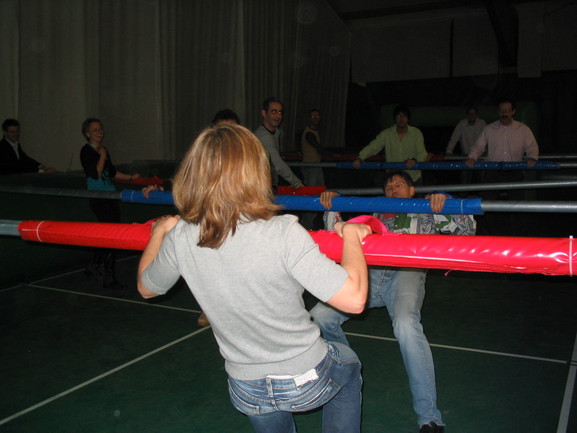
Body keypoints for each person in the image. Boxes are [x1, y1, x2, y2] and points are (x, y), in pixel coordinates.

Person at [137, 124, 371, 433]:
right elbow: (354, 300)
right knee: (349, 366)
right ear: (253, 172)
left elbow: (146, 288)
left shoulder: (181, 235)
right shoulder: (282, 231)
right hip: (303, 377)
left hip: (246, 387)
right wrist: (351, 236)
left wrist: (159, 233)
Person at [310, 170, 476, 433]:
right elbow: (336, 233)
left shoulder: (426, 211)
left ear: (412, 190)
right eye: (388, 187)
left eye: (399, 185)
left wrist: (446, 202)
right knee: (321, 316)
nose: (393, 190)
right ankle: (349, 368)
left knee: (406, 325)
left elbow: (467, 231)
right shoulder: (374, 214)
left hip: (406, 272)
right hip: (370, 273)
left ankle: (429, 417)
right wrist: (332, 203)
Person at [80, 118, 140, 289]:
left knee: (110, 232)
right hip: (99, 197)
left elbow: (112, 173)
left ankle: (94, 265)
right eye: (95, 130)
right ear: (87, 133)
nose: (99, 132)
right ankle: (108, 275)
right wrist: (102, 155)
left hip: (110, 195)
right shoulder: (86, 151)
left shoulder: (103, 150)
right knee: (110, 234)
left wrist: (131, 178)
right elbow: (96, 174)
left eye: (100, 129)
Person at [465, 99, 539, 234]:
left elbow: (532, 147)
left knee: (518, 205)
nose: (505, 113)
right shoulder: (489, 129)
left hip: (514, 171)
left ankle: (519, 235)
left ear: (513, 112)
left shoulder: (523, 129)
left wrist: (532, 157)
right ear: (498, 112)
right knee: (486, 204)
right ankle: (487, 233)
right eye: (502, 111)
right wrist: (472, 158)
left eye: (508, 110)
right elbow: (478, 146)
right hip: (493, 172)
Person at [353, 105, 428, 185]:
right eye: (398, 116)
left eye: (404, 116)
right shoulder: (386, 134)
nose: (401, 119)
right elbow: (373, 147)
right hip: (393, 180)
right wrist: (360, 158)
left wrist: (414, 161)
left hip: (413, 178)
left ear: (408, 118)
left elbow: (422, 153)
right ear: (394, 118)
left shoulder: (416, 133)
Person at [254, 97, 303, 190]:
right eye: (273, 112)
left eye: (280, 112)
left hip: (268, 184)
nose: (277, 116)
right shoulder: (263, 136)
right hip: (260, 186)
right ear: (264, 113)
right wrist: (298, 185)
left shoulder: (275, 132)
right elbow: (278, 165)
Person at [445, 107, 486, 184]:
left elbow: (487, 138)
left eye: (473, 113)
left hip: (480, 156)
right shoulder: (462, 124)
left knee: (482, 178)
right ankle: (463, 191)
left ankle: (483, 191)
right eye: (470, 113)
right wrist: (449, 151)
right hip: (466, 156)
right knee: (465, 177)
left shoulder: (482, 123)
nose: (471, 115)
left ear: (477, 115)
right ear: (467, 115)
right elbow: (454, 138)